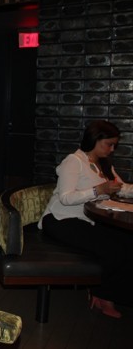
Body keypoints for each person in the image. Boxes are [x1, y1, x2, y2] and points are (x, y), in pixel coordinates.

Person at [38, 120, 133, 318]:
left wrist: (120, 189)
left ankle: (105, 293)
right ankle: (99, 291)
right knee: (114, 250)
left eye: (114, 145)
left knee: (128, 242)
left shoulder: (104, 164)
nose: (112, 149)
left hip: (88, 219)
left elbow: (121, 188)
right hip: (60, 219)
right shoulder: (74, 161)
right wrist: (98, 190)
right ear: (95, 140)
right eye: (109, 144)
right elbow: (66, 198)